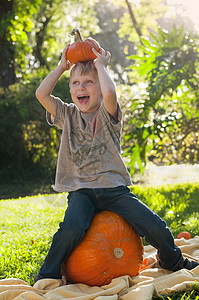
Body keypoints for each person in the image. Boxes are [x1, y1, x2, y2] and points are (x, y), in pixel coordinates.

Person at [34, 45, 198, 283]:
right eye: (75, 83)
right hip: (82, 192)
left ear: (100, 87)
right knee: (70, 229)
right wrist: (61, 68)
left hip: (113, 190)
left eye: (89, 82)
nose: (81, 87)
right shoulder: (66, 114)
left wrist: (101, 67)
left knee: (155, 226)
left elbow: (110, 94)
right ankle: (47, 274)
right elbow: (41, 94)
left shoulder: (107, 113)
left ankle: (171, 259)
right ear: (70, 89)